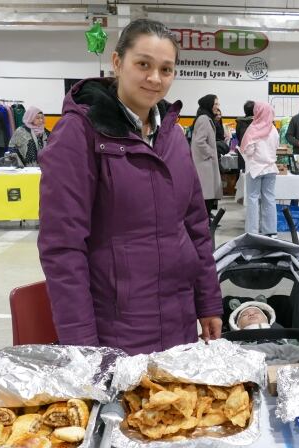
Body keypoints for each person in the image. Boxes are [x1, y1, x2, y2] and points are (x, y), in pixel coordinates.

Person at [37, 19, 223, 355]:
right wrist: (83, 349)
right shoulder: (79, 134)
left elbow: (195, 226)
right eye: (143, 64)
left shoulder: (171, 133)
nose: (155, 78)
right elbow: (62, 248)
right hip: (118, 330)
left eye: (166, 69)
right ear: (117, 62)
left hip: (179, 324)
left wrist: (208, 301)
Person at [239, 101, 279, 236]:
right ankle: (270, 231)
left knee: (252, 199)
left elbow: (249, 151)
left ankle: (252, 232)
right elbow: (276, 146)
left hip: (255, 169)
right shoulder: (273, 129)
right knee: (269, 199)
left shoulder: (253, 128)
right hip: (271, 168)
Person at [192, 94, 224, 215]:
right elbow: (199, 141)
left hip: (205, 163)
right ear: (209, 104)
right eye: (215, 104)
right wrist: (211, 152)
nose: (217, 106)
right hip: (205, 165)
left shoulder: (206, 118)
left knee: (207, 197)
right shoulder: (204, 119)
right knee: (206, 197)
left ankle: (206, 222)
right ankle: (205, 225)